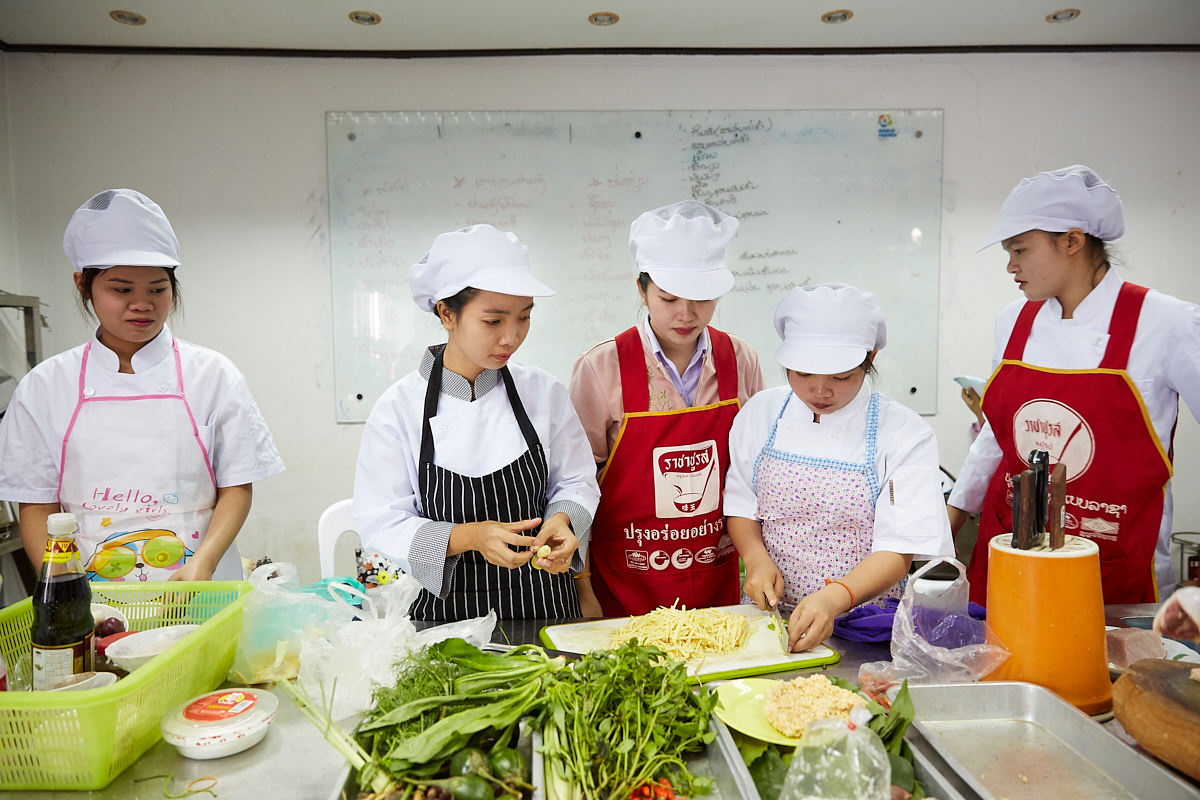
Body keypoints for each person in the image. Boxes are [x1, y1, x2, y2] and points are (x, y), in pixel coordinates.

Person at [0, 189, 285, 582]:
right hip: (88, 588)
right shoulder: (45, 387)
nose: (142, 303)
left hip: (200, 582)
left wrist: (202, 564)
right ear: (84, 285)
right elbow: (36, 503)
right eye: (121, 289)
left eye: (157, 288)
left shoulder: (213, 375)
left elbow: (236, 486)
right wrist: (62, 584)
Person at [947, 166, 1200, 605]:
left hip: (1112, 563)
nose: (1010, 266)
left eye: (1020, 249)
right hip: (1009, 550)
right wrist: (954, 512)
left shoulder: (1167, 323)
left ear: (1072, 240)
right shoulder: (1013, 321)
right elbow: (997, 431)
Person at [353, 224, 600, 621]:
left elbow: (576, 481)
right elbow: (381, 526)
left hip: (543, 608)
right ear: (447, 314)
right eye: (493, 321)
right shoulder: (397, 409)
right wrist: (468, 537)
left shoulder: (544, 393)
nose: (511, 337)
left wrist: (561, 519)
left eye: (523, 318)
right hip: (442, 621)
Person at [725, 284, 954, 651]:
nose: (820, 391)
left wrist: (834, 598)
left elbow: (899, 549)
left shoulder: (904, 432)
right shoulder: (761, 413)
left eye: (840, 376)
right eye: (801, 374)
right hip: (768, 621)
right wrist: (755, 560)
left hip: (865, 624)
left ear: (871, 357)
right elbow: (740, 505)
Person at [569, 201, 765, 617]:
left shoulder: (740, 360)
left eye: (702, 298)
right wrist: (582, 588)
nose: (686, 314)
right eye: (669, 297)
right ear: (641, 290)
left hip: (719, 586)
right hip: (626, 586)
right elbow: (575, 486)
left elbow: (754, 474)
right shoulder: (601, 368)